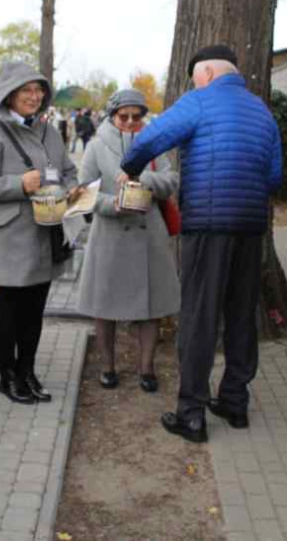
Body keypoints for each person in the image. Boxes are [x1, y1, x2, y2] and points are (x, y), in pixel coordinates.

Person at [119, 44, 282, 443]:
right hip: (250, 226)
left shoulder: (201, 101)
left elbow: (150, 138)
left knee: (200, 316)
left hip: (209, 224)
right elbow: (275, 175)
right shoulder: (261, 110)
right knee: (241, 314)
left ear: (207, 73)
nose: (193, 82)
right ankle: (234, 401)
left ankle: (191, 412)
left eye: (195, 76)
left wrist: (129, 169)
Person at [0, 61, 78, 404]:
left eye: (38, 90)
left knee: (35, 310)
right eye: (26, 91)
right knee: (12, 310)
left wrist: (73, 189)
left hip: (47, 232)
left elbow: (68, 170)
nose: (34, 96)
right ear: (9, 95)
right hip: (13, 235)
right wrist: (18, 183)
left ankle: (27, 371)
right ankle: (7, 377)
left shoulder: (49, 131)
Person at [76, 89, 180, 392]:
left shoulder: (155, 146)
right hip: (110, 236)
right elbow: (84, 193)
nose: (132, 122)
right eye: (125, 116)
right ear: (112, 116)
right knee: (104, 305)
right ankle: (107, 366)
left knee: (151, 306)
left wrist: (144, 179)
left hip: (149, 235)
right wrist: (114, 205)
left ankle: (146, 367)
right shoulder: (96, 147)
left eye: (138, 116)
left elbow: (171, 180)